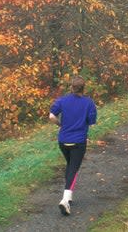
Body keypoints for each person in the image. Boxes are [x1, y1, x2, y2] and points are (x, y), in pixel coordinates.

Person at [49, 76, 97, 216]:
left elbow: (51, 116)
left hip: (63, 141)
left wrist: (60, 124)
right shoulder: (89, 103)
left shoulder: (62, 100)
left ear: (71, 87)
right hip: (78, 142)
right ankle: (65, 200)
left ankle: (68, 198)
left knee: (70, 166)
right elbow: (91, 121)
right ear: (84, 88)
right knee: (73, 169)